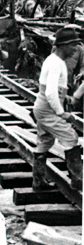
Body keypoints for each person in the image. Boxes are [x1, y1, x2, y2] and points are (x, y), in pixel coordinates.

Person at [32, 26, 82, 191]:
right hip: (47, 110)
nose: (76, 49)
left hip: (43, 108)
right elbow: (50, 91)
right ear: (63, 45)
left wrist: (65, 98)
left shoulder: (55, 61)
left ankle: (38, 182)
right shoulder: (55, 63)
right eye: (73, 45)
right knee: (71, 137)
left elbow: (53, 90)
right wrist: (61, 113)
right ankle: (77, 180)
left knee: (45, 142)